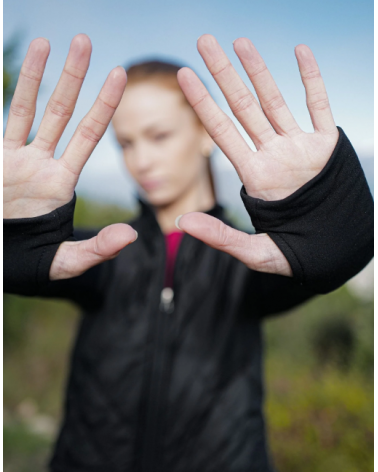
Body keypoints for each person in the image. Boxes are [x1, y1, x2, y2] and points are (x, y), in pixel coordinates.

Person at [3, 33, 373, 472]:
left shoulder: (251, 261)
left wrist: (330, 219)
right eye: (126, 143)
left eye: (158, 135)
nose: (140, 160)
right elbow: (22, 261)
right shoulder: (98, 253)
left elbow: (336, 257)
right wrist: (12, 241)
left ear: (205, 133)